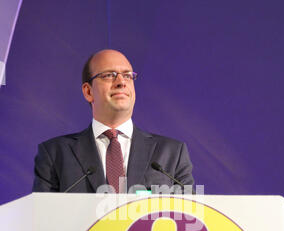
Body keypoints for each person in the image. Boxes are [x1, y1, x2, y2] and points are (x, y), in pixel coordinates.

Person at [32, 49, 194, 193]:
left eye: (127, 75)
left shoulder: (172, 153)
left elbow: (188, 216)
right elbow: (44, 220)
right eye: (109, 75)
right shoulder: (55, 154)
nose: (121, 82)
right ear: (88, 91)